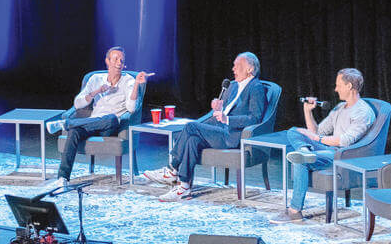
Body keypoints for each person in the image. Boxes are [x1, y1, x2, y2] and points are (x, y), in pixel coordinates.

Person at [145, 52, 266, 201]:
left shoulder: (256, 88)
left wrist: (228, 119)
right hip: (219, 129)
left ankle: (172, 170)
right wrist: (217, 106)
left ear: (250, 69)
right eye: (233, 65)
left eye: (237, 66)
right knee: (192, 140)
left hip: (233, 136)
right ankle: (184, 187)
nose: (233, 69)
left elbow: (255, 118)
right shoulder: (234, 86)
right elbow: (222, 109)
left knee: (191, 127)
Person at [269, 68, 375, 224]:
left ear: (349, 86)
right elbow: (318, 131)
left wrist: (316, 138)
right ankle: (304, 151)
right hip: (329, 149)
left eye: (339, 85)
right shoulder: (339, 108)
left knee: (300, 160)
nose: (336, 89)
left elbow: (345, 141)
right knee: (294, 132)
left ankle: (294, 211)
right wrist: (308, 112)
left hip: (344, 155)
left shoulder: (363, 111)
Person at [36, 47, 149, 192]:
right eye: (115, 59)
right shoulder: (95, 79)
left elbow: (132, 108)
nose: (119, 63)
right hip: (91, 123)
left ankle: (66, 124)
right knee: (74, 131)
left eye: (122, 60)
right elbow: (78, 104)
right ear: (107, 61)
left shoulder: (129, 81)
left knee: (112, 118)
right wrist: (97, 91)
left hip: (110, 128)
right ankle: (62, 179)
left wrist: (136, 87)